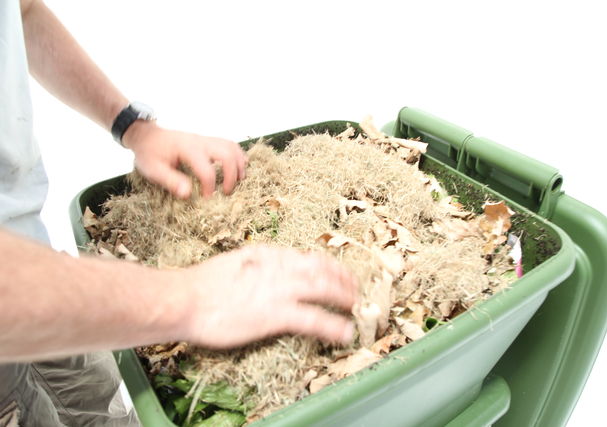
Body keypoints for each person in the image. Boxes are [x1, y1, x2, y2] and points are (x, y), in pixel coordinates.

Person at [0, 0, 357, 425]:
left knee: (98, 397)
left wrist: (133, 127)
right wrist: (190, 300)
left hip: (35, 266)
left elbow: (21, 13)